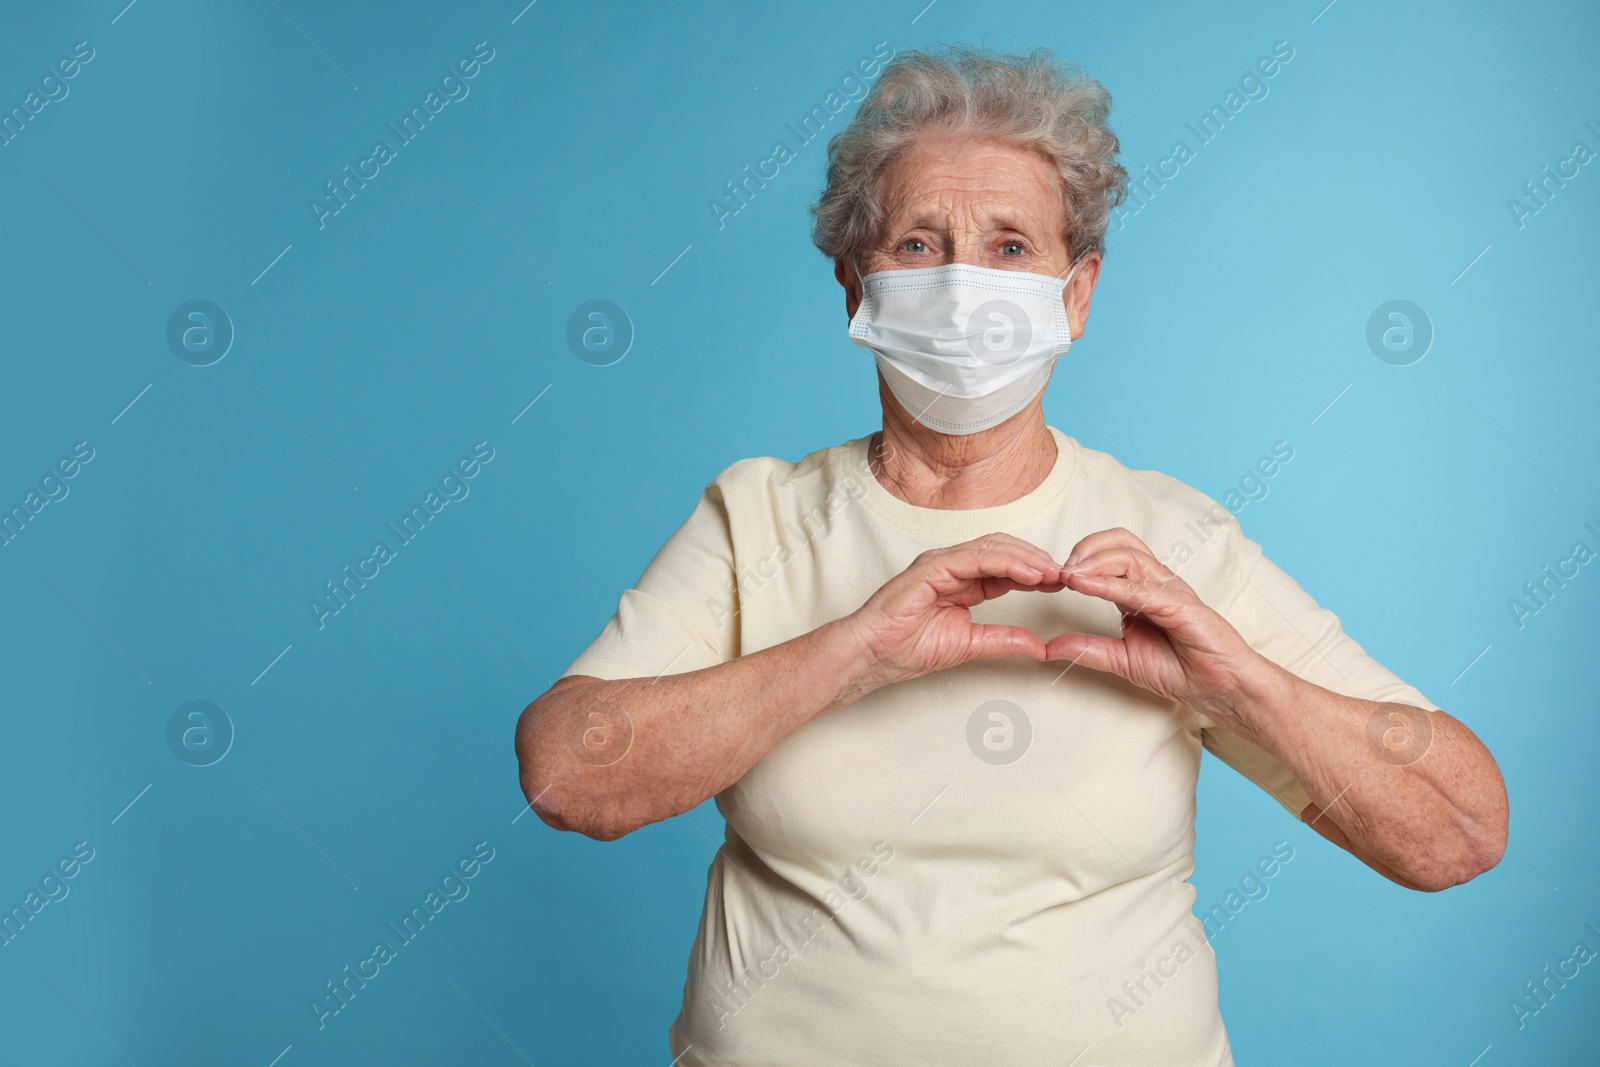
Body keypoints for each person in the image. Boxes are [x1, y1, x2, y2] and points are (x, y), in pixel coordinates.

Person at [514, 44, 1508, 1066]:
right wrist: (854, 652)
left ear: (1075, 296)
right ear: (854, 284)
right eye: (916, 242)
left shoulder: (1172, 541)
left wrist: (1241, 684)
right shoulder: (757, 518)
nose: (960, 286)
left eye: (1008, 246)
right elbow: (566, 772)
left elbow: (1457, 832)